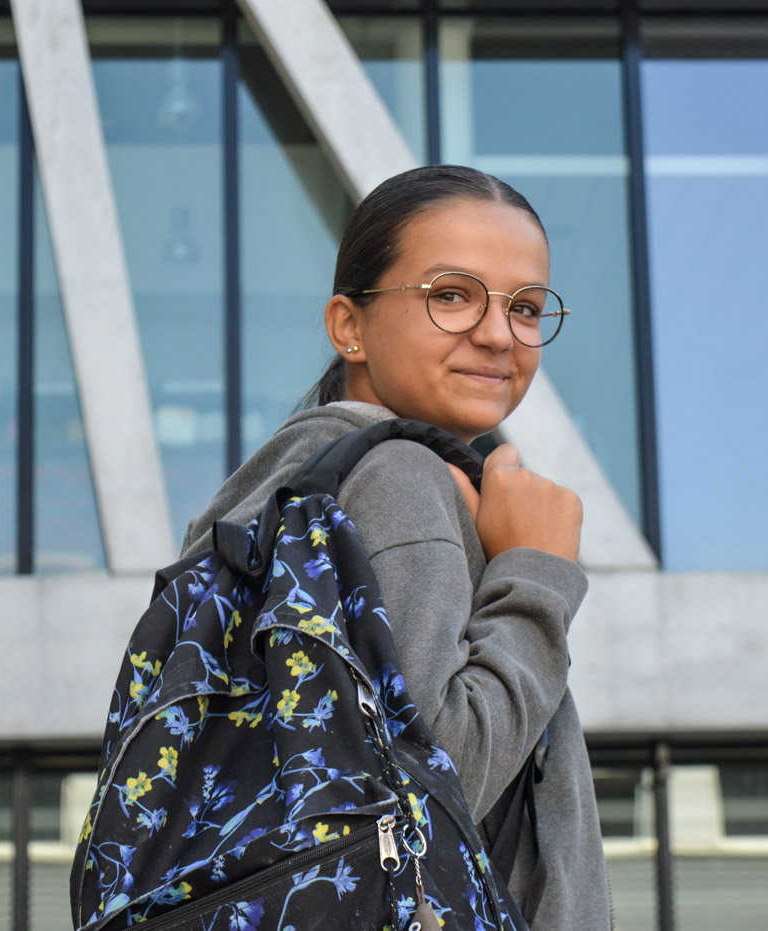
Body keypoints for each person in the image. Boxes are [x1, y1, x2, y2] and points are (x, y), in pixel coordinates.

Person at [179, 165, 611, 929]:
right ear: (349, 324)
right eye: (451, 294)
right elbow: (438, 782)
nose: (497, 333)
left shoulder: (276, 504)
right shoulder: (399, 477)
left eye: (526, 307)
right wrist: (536, 577)